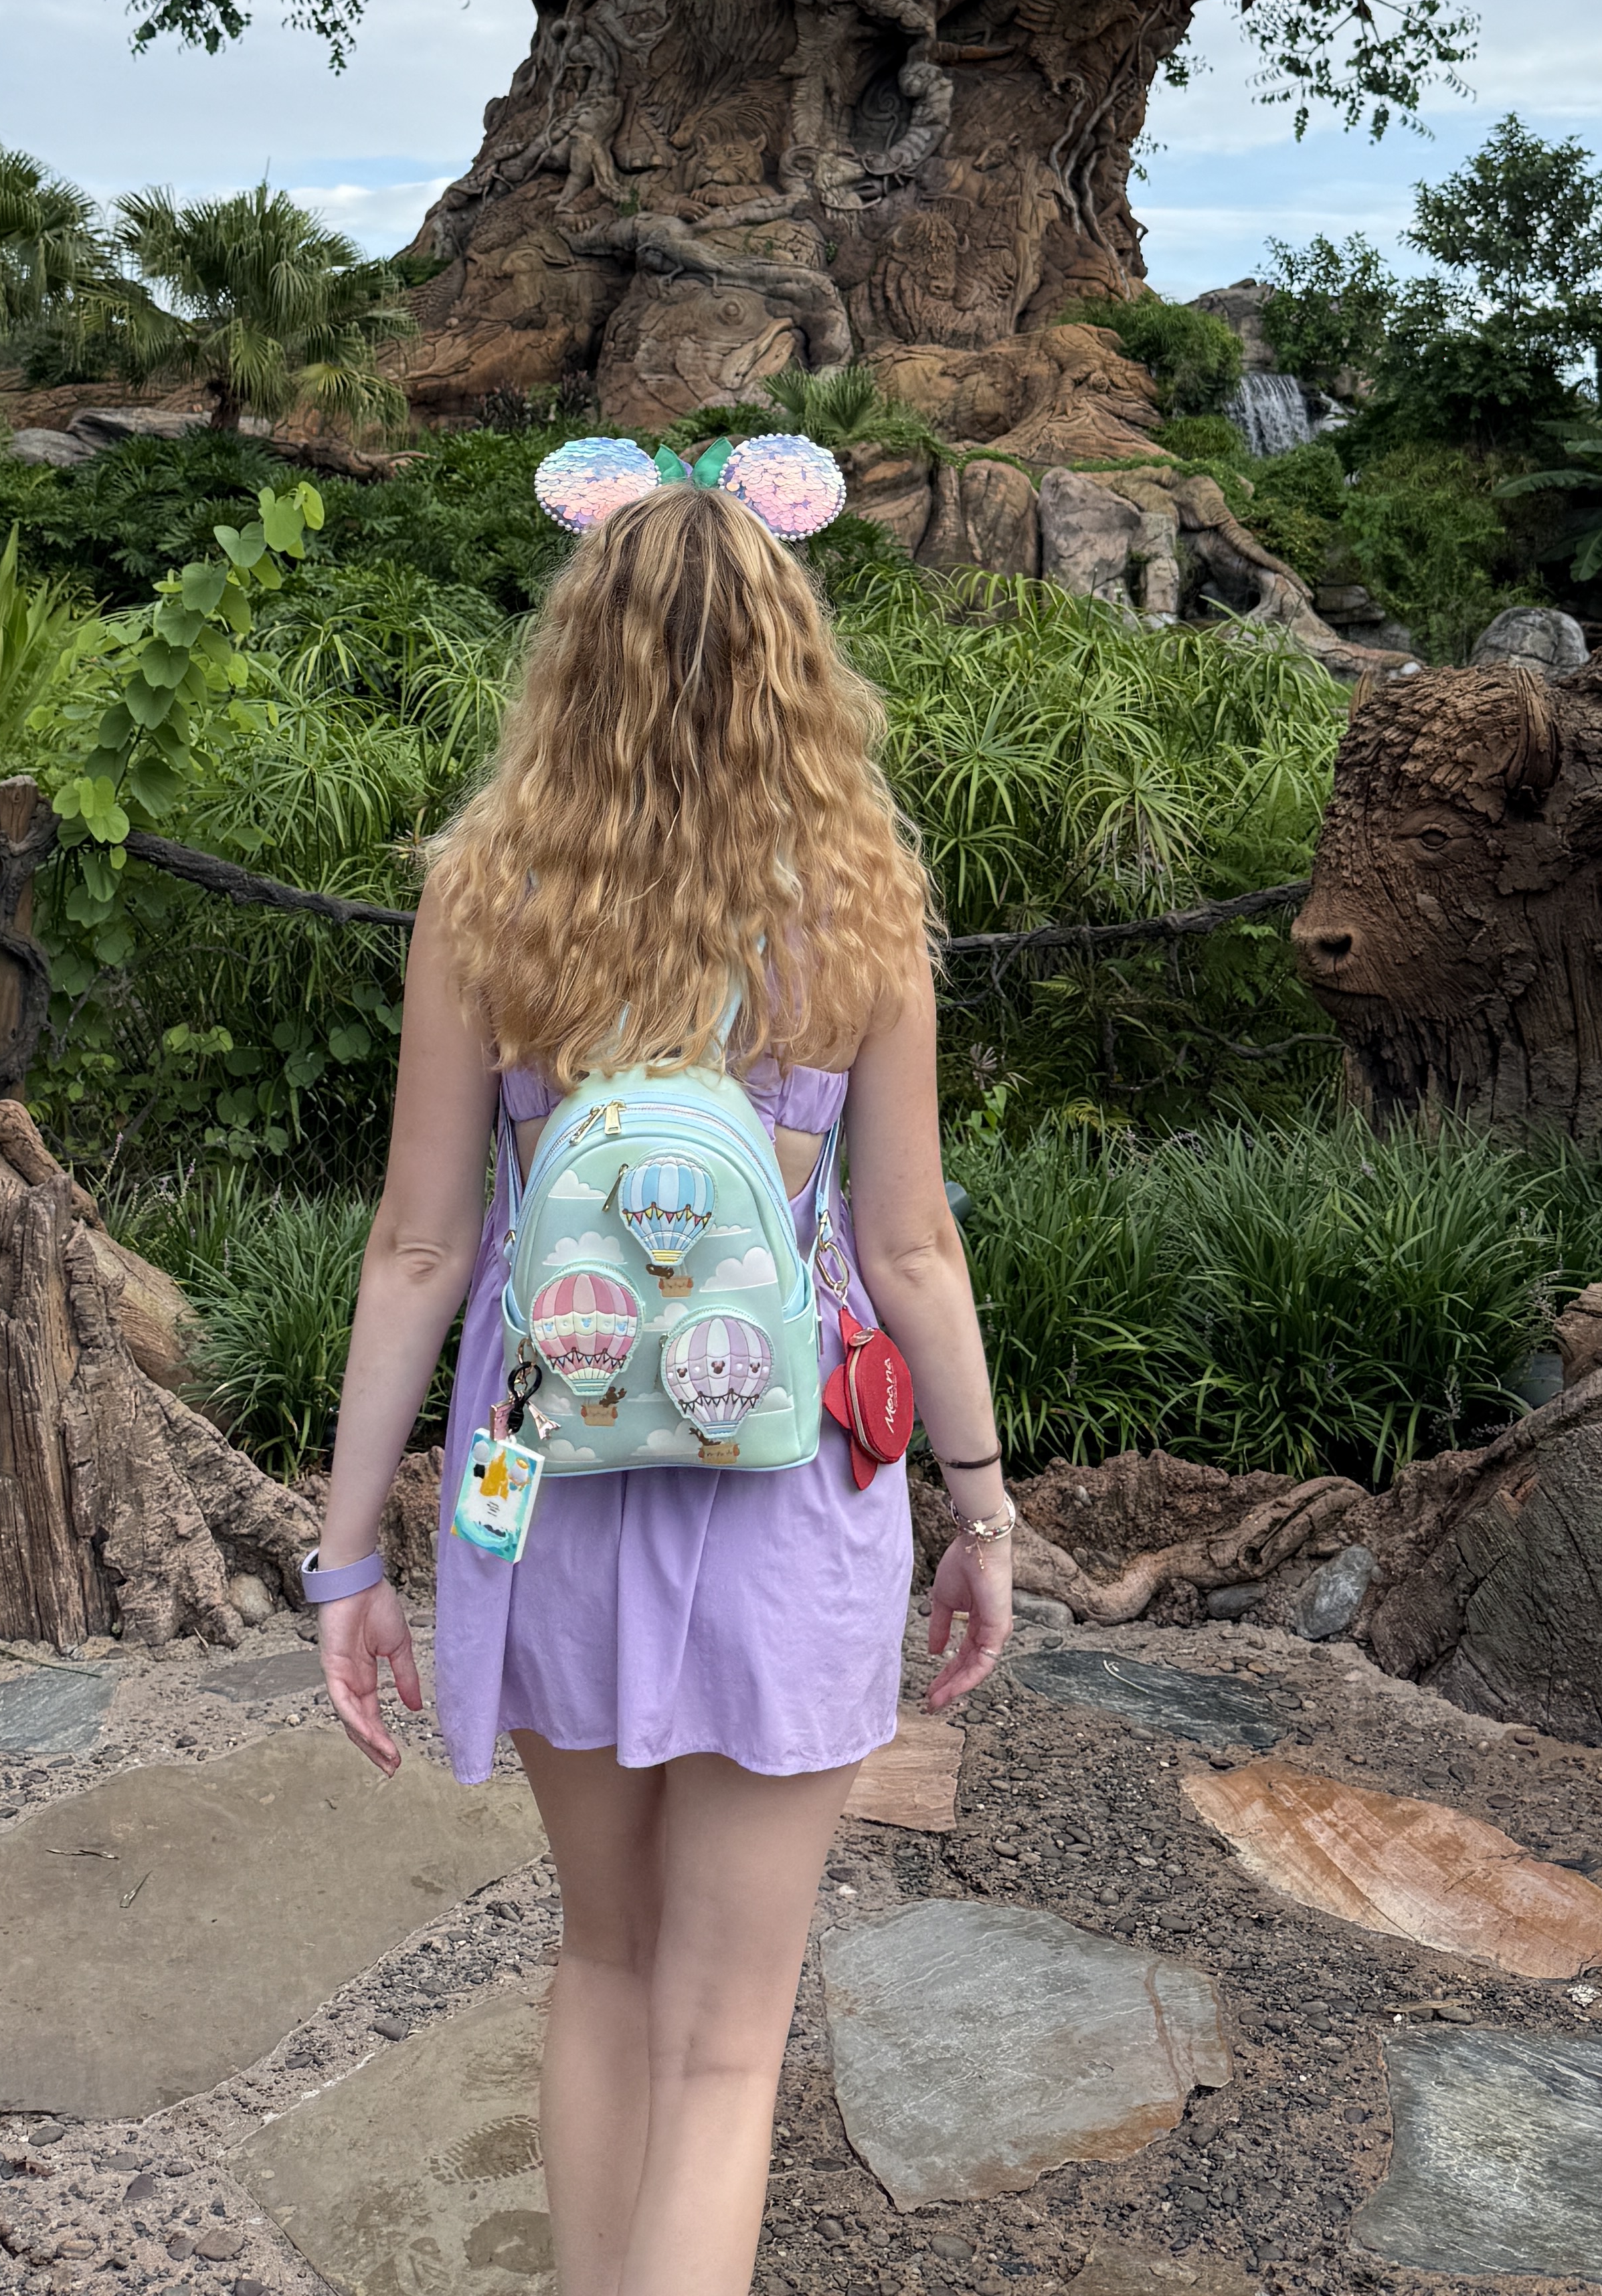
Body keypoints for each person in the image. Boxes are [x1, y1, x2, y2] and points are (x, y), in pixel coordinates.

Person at [306, 474, 1016, 2296]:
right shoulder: (859, 912)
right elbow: (916, 1248)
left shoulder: (489, 903)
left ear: (577, 667)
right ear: (797, 675)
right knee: (728, 2042)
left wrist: (345, 1561)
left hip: (541, 1479)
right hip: (795, 1500)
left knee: (602, 1964)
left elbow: (418, 1249)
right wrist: (985, 1509)